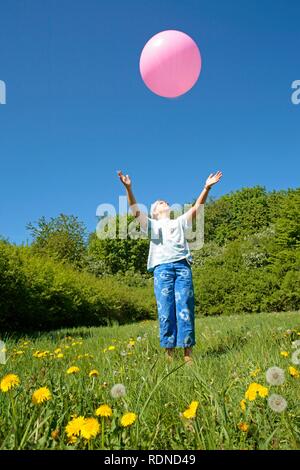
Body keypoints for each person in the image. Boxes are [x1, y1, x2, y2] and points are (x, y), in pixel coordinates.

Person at [117, 170, 222, 363]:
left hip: (182, 268)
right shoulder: (151, 225)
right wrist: (128, 188)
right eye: (159, 203)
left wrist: (206, 187)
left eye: (164, 201)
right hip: (162, 269)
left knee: (185, 309)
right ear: (155, 212)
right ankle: (169, 357)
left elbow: (198, 207)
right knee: (166, 311)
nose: (163, 202)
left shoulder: (179, 221)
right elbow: (134, 208)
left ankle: (188, 356)